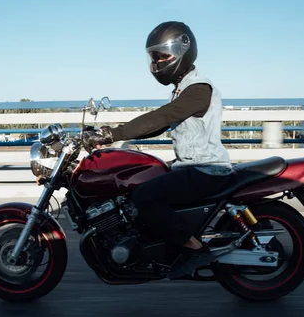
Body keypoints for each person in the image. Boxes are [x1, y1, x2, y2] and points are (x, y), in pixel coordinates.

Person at [82, 21, 233, 279]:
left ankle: (193, 249)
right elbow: (159, 126)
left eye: (163, 56)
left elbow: (162, 117)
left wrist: (113, 134)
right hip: (191, 166)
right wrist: (111, 135)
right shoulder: (184, 89)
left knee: (145, 197)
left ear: (183, 51)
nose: (157, 63)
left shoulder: (198, 89)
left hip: (206, 170)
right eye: (154, 57)